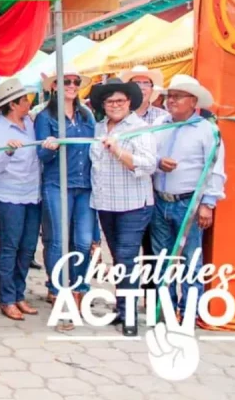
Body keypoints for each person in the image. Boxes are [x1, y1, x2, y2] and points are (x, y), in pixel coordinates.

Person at [152, 75, 226, 321]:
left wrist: (208, 204)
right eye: (169, 96)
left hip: (189, 203)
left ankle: (190, 313)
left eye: (177, 97)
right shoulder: (162, 124)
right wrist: (158, 164)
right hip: (160, 201)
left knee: (191, 261)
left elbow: (215, 168)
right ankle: (167, 310)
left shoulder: (207, 130)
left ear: (193, 101)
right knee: (163, 260)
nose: (171, 101)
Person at [89, 78, 157, 337]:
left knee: (127, 259)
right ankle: (121, 306)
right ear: (103, 105)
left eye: (120, 100)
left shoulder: (140, 128)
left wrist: (118, 150)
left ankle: (130, 316)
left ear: (129, 102)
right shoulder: (98, 128)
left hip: (133, 205)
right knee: (118, 258)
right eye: (109, 101)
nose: (115, 105)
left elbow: (147, 165)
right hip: (105, 204)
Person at [35, 68, 95, 313]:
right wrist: (51, 147)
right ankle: (57, 287)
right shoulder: (44, 117)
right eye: (66, 82)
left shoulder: (86, 115)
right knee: (57, 240)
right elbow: (41, 154)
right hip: (57, 184)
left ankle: (79, 288)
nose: (71, 85)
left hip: (84, 186)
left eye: (75, 82)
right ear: (55, 87)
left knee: (83, 242)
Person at [0, 79, 42, 321]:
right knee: (9, 246)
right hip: (7, 194)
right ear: (13, 104)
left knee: (28, 247)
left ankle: (19, 294)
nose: (29, 102)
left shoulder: (29, 123)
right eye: (25, 99)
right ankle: (7, 298)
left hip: (32, 193)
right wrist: (7, 151)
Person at [119, 65, 169, 299]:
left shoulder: (163, 118)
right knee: (126, 250)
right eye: (136, 83)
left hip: (156, 189)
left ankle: (152, 298)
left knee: (153, 248)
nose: (141, 88)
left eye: (145, 83)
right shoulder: (121, 117)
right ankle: (125, 299)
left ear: (152, 89)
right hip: (126, 189)